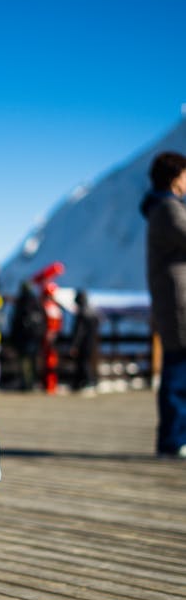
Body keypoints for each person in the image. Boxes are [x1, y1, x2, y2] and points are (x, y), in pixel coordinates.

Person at [140, 151, 186, 457]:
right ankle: (173, 440)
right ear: (173, 178)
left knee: (177, 367)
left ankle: (174, 438)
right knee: (178, 370)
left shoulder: (164, 208)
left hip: (173, 300)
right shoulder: (169, 209)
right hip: (179, 302)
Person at [9, 281, 45, 390]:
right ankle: (33, 382)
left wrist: (13, 337)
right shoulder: (36, 300)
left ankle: (26, 383)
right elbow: (43, 319)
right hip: (35, 336)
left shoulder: (22, 301)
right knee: (33, 359)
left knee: (24, 360)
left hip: (23, 336)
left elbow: (16, 320)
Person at [69, 290, 99, 392]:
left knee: (83, 364)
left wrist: (74, 345)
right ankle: (84, 383)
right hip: (92, 342)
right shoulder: (93, 312)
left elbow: (79, 331)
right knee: (86, 363)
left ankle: (88, 382)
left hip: (83, 343)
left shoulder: (82, 313)